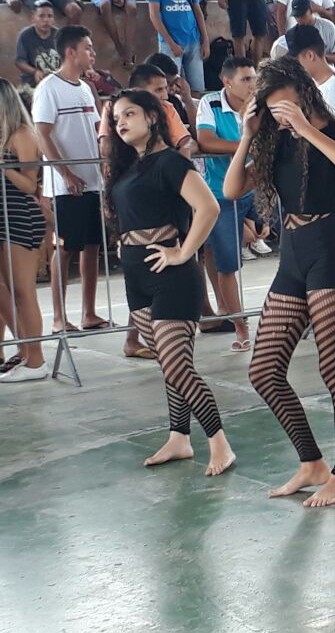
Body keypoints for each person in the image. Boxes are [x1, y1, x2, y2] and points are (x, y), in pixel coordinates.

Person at [224, 56, 335, 507]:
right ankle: (312, 462)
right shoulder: (275, 143)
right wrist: (248, 135)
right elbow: (231, 190)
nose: (282, 118)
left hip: (332, 254)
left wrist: (306, 127)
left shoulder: (330, 130)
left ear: (304, 94)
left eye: (285, 107)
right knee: (264, 369)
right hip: (294, 258)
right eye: (273, 110)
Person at [104, 89, 236, 475]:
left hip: (172, 278)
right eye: (116, 118)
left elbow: (208, 207)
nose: (121, 123)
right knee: (168, 363)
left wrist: (183, 252)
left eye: (129, 114)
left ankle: (219, 443)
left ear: (152, 116)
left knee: (178, 365)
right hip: (136, 277)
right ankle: (179, 437)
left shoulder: (170, 162)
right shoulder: (131, 166)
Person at [33, 27, 108, 336]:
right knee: (65, 248)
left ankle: (89, 313)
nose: (93, 53)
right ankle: (59, 318)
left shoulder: (85, 89)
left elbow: (97, 130)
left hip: (92, 181)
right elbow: (42, 133)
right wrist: (65, 172)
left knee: (91, 245)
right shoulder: (49, 88)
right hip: (66, 186)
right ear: (70, 52)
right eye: (87, 48)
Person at [196, 57, 258, 352]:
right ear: (227, 82)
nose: (252, 84)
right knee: (227, 263)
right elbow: (206, 141)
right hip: (220, 193)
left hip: (256, 186)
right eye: (246, 79)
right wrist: (246, 145)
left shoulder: (259, 103)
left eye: (254, 78)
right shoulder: (210, 103)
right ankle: (240, 326)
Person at [0, 78, 48, 383]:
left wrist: (4, 167)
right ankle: (25, 350)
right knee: (9, 290)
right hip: (3, 219)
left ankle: (36, 360)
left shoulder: (22, 135)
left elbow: (30, 185)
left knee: (23, 291)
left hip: (20, 218)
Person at [146, 0, 210, 92]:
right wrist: (171, 42)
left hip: (193, 40)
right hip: (171, 43)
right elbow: (154, 15)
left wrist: (205, 40)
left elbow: (197, 11)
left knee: (198, 88)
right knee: (172, 88)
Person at [99, 64, 196, 161]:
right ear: (137, 91)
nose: (165, 96)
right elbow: (106, 149)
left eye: (165, 88)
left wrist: (182, 155)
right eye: (159, 90)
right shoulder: (113, 107)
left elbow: (188, 141)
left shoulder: (166, 107)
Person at [285, 25, 335, 125]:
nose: (294, 65)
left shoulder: (334, 88)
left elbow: (330, 131)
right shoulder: (317, 80)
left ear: (310, 55)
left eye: (296, 60)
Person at [270, 0, 335, 64]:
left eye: (302, 15)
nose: (299, 19)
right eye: (296, 16)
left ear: (311, 10)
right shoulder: (292, 35)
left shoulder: (328, 27)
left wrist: (316, 57)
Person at [15, 1, 60, 88]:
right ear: (33, 18)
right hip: (32, 83)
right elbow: (19, 61)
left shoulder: (59, 36)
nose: (46, 20)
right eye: (41, 16)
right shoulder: (25, 35)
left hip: (56, 81)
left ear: (53, 19)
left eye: (50, 16)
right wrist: (35, 72)